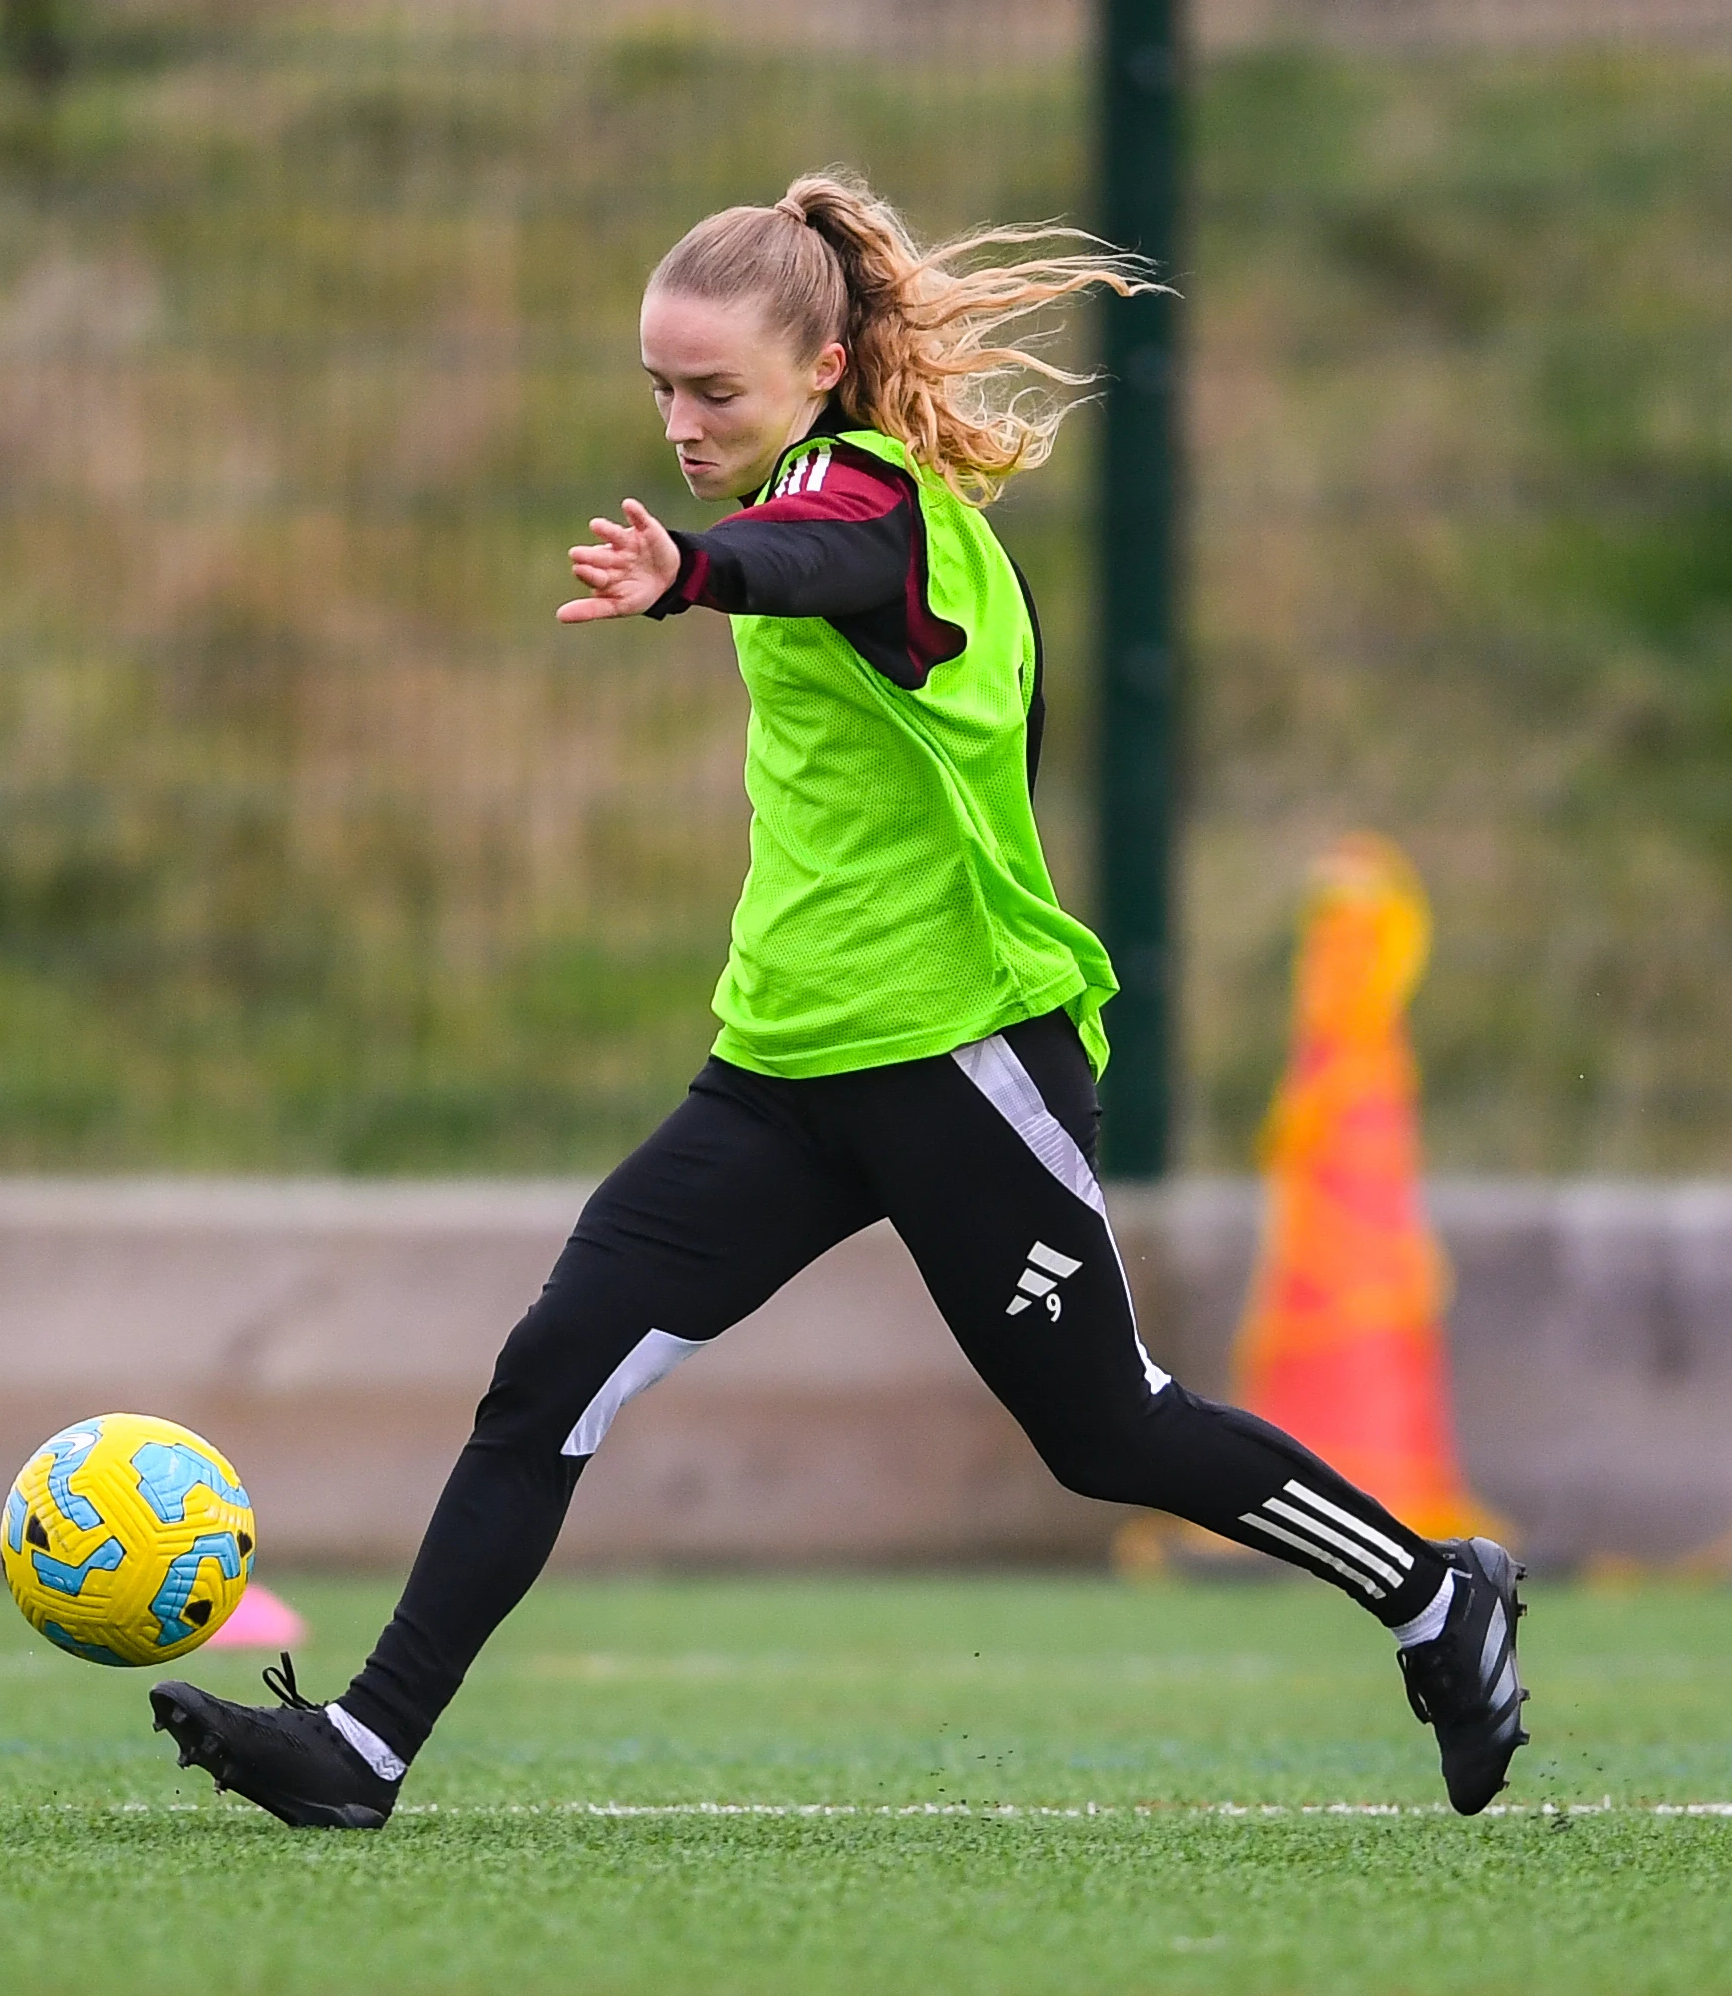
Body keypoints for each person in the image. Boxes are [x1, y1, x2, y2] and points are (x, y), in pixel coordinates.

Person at [150, 170, 1528, 1827]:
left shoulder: (868, 498)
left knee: (1107, 1435)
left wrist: (692, 572)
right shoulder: (814, 484)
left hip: (959, 1059)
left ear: (821, 369)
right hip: (787, 1070)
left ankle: (1436, 1595)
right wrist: (704, 562)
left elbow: (811, 554)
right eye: (659, 388)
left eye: (713, 390)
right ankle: (364, 1749)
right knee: (550, 1373)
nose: (680, 423)